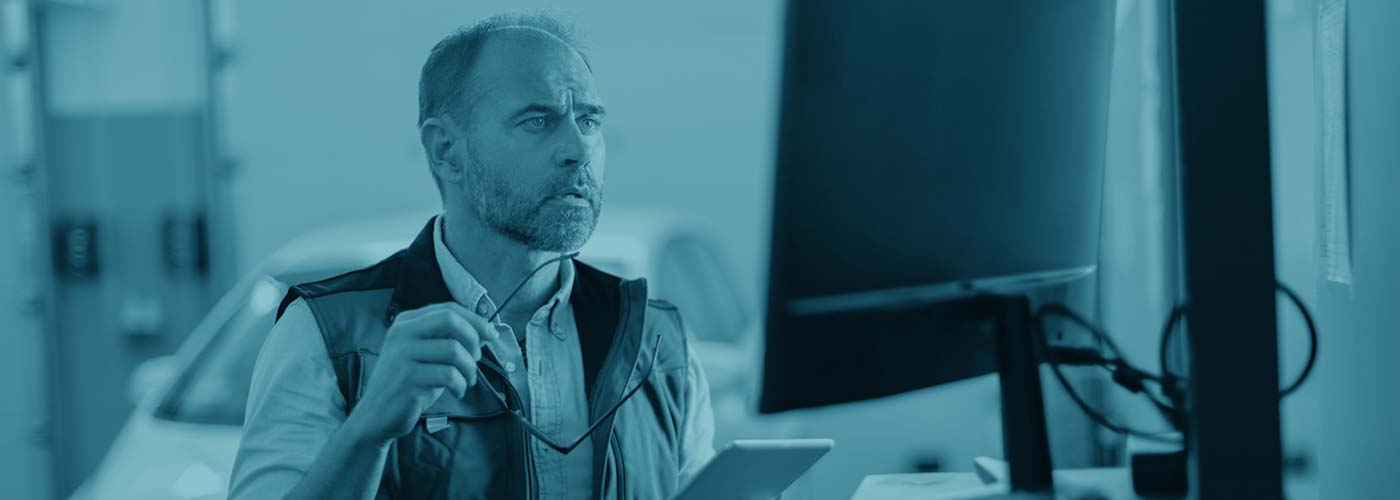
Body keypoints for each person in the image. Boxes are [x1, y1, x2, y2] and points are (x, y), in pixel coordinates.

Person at [227, 13, 716, 500]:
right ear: (446, 151)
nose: (577, 149)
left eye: (588, 121)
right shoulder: (327, 336)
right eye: (537, 121)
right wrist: (368, 429)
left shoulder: (655, 340)